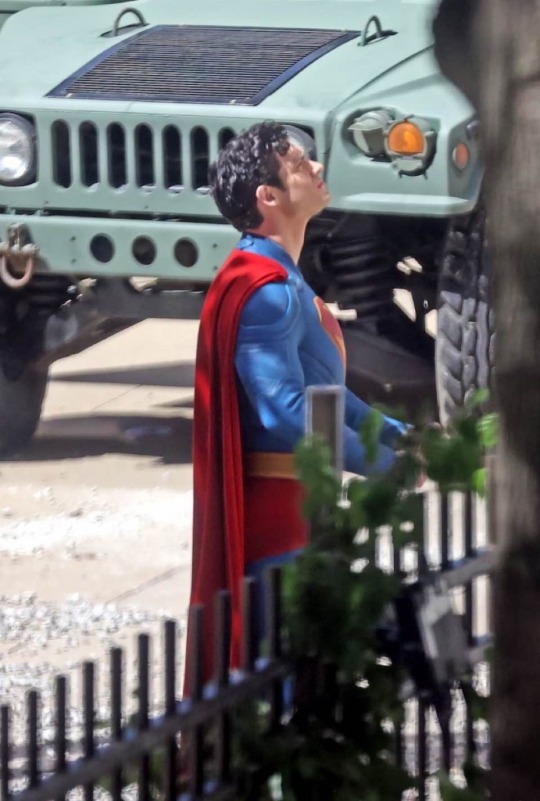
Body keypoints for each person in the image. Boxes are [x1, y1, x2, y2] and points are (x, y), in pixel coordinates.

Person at [185, 121, 406, 687]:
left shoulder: (275, 277)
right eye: (300, 165)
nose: (317, 168)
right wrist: (385, 463)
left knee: (310, 676)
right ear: (269, 196)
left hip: (300, 505)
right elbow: (284, 411)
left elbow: (325, 396)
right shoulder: (267, 290)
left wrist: (397, 436)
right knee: (288, 683)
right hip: (279, 516)